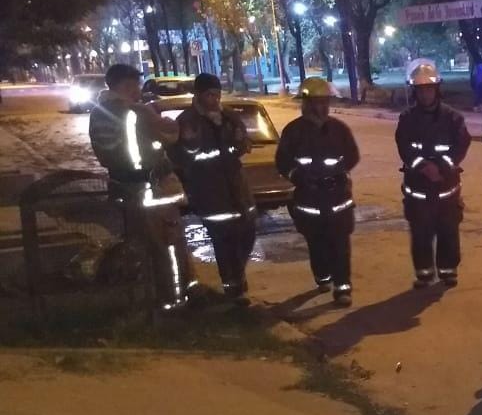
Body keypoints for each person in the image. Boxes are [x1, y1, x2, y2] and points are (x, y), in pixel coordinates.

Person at [88, 63, 194, 312]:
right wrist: (166, 121)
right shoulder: (136, 112)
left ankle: (147, 297)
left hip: (122, 186)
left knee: (138, 243)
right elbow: (171, 134)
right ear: (124, 85)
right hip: (151, 188)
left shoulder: (99, 113)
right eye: (135, 84)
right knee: (167, 244)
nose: (138, 89)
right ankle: (174, 300)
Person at [275, 77, 360, 307]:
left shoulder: (339, 129)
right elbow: (282, 162)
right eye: (317, 102)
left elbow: (352, 156)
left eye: (325, 102)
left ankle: (343, 288)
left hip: (337, 197)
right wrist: (299, 177)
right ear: (306, 103)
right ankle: (323, 277)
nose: (323, 107)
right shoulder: (293, 132)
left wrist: (338, 173)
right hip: (309, 200)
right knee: (318, 244)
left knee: (341, 245)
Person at [173, 73, 256, 305]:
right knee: (224, 240)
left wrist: (241, 142)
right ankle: (234, 289)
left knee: (248, 233)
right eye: (209, 94)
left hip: (237, 187)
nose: (214, 99)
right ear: (198, 95)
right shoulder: (187, 121)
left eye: (217, 94)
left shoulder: (228, 117)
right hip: (210, 191)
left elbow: (243, 145)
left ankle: (237, 276)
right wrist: (190, 144)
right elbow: (180, 158)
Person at [395, 60, 471, 289]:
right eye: (421, 90)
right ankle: (424, 273)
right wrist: (423, 167)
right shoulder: (407, 119)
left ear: (436, 89)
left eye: (429, 89)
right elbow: (404, 148)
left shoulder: (453, 118)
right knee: (421, 234)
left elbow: (461, 145)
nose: (426, 94)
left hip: (445, 188)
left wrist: (442, 168)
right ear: (415, 92)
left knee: (448, 231)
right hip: (418, 189)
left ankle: (448, 271)